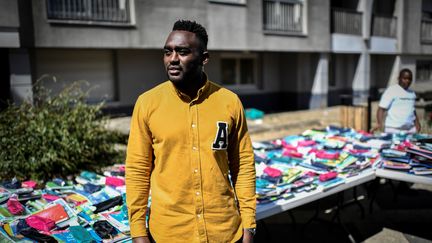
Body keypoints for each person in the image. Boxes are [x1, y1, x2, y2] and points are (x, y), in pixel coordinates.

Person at [125, 20, 256, 243]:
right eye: (168, 52)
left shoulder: (229, 102)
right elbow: (137, 170)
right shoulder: (147, 103)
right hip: (170, 234)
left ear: (204, 58)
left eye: (183, 52)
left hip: (224, 232)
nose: (173, 59)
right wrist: (138, 233)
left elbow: (242, 165)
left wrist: (249, 226)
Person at [371, 68, 421, 134]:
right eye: (405, 78)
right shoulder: (392, 90)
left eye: (409, 79)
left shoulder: (412, 93)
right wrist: (379, 123)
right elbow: (381, 109)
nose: (407, 81)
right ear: (399, 78)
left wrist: (417, 123)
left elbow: (413, 110)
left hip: (410, 130)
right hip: (393, 129)